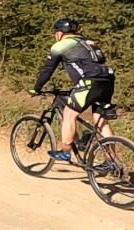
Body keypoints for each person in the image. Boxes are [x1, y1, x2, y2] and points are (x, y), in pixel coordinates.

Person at [30, 18, 116, 161]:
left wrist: (36, 88)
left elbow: (47, 70)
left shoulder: (60, 45)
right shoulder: (89, 42)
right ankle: (111, 161)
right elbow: (97, 60)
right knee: (100, 121)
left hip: (89, 81)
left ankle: (65, 151)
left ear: (59, 33)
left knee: (69, 114)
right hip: (107, 79)